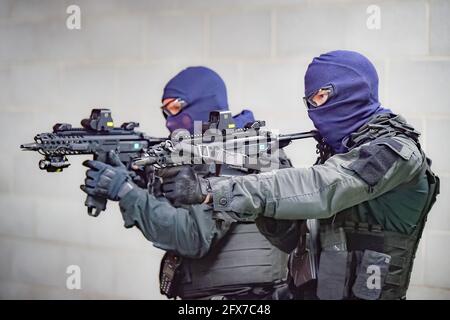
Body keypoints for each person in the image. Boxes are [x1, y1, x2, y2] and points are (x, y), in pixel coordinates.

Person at [156, 51, 440, 300]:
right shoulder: (340, 152)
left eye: (321, 97)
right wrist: (266, 204)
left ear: (351, 89)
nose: (313, 110)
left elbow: (324, 188)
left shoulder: (394, 151)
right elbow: (294, 241)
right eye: (309, 100)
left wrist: (212, 189)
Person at [80, 66, 292, 300]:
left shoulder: (240, 154)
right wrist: (141, 186)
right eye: (165, 111)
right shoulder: (199, 155)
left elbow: (193, 237)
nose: (170, 121)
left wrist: (126, 191)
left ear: (205, 103)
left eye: (176, 108)